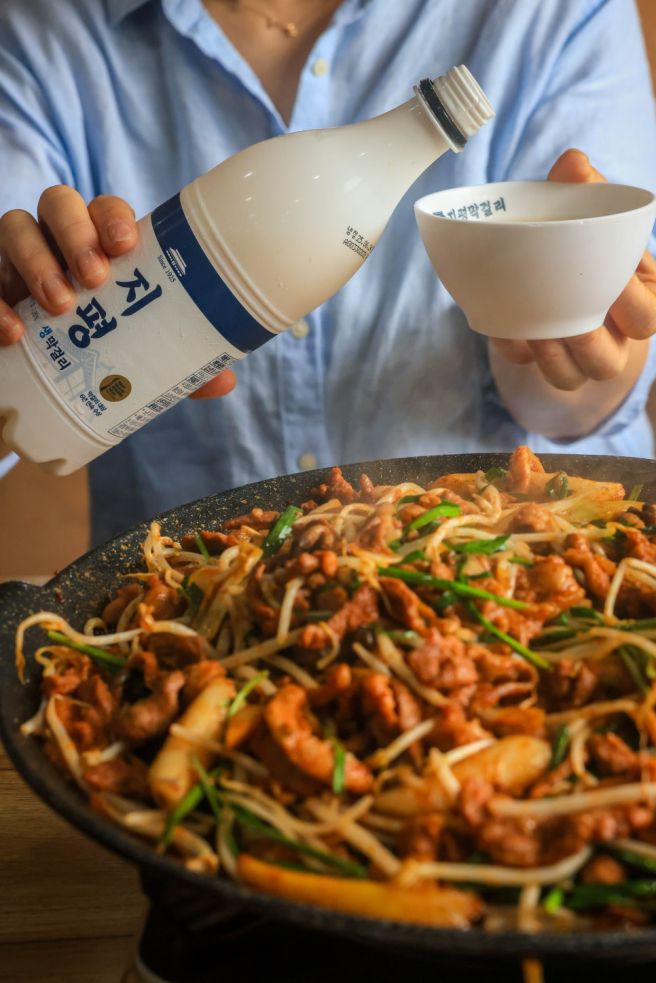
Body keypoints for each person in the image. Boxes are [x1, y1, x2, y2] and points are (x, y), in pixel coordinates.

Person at [1, 0, 656, 547]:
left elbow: (564, 399)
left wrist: (573, 343)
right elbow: (14, 401)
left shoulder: (557, 11)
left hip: (521, 563)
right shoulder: (42, 31)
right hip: (192, 589)